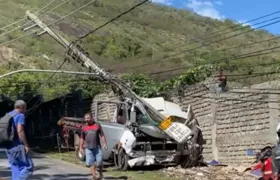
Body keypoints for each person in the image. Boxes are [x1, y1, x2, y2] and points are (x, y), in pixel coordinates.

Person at [6, 100, 33, 180]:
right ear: (21, 107)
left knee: (16, 168)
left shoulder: (8, 115)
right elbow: (20, 130)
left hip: (9, 146)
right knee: (28, 167)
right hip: (17, 145)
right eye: (25, 108)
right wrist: (26, 145)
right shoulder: (20, 115)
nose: (25, 110)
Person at [79, 113, 108, 180]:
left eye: (88, 118)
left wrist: (105, 144)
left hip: (97, 147)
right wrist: (81, 147)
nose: (86, 120)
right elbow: (82, 138)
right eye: (85, 118)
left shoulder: (97, 125)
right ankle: (94, 175)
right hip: (88, 148)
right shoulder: (84, 127)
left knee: (99, 161)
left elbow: (102, 135)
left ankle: (100, 174)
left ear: (92, 118)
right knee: (91, 162)